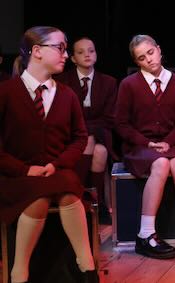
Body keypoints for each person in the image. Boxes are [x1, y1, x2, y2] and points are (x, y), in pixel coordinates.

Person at [0, 26, 98, 283]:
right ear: (37, 51)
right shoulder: (6, 93)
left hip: (57, 172)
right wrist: (24, 170)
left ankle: (87, 267)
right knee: (40, 197)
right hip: (17, 176)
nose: (65, 55)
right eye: (60, 48)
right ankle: (19, 271)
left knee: (67, 189)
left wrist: (57, 163)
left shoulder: (67, 94)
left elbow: (79, 137)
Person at [115, 34, 175, 259]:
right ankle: (145, 234)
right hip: (138, 146)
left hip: (167, 144)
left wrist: (168, 141)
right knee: (162, 164)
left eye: (151, 52)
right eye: (142, 58)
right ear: (137, 62)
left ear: (159, 49)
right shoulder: (129, 85)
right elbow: (121, 124)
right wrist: (146, 142)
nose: (149, 59)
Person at [56, 37, 117, 223]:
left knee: (97, 146)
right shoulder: (62, 81)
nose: (87, 55)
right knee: (98, 150)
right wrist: (85, 131)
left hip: (101, 133)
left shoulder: (108, 82)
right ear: (73, 58)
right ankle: (94, 203)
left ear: (96, 54)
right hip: (71, 134)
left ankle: (87, 200)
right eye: (81, 52)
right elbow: (64, 116)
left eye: (91, 51)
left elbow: (110, 118)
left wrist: (88, 130)